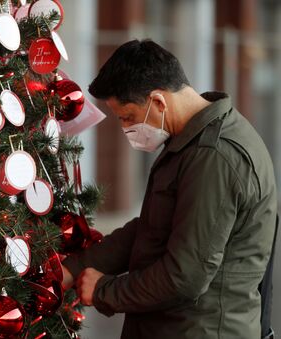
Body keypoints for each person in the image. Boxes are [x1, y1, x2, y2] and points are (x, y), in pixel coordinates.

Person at [61, 39, 277, 339]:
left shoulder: (214, 157)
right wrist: (77, 267)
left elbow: (184, 276)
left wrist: (104, 291)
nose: (126, 130)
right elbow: (152, 228)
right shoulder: (189, 141)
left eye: (128, 118)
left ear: (159, 102)